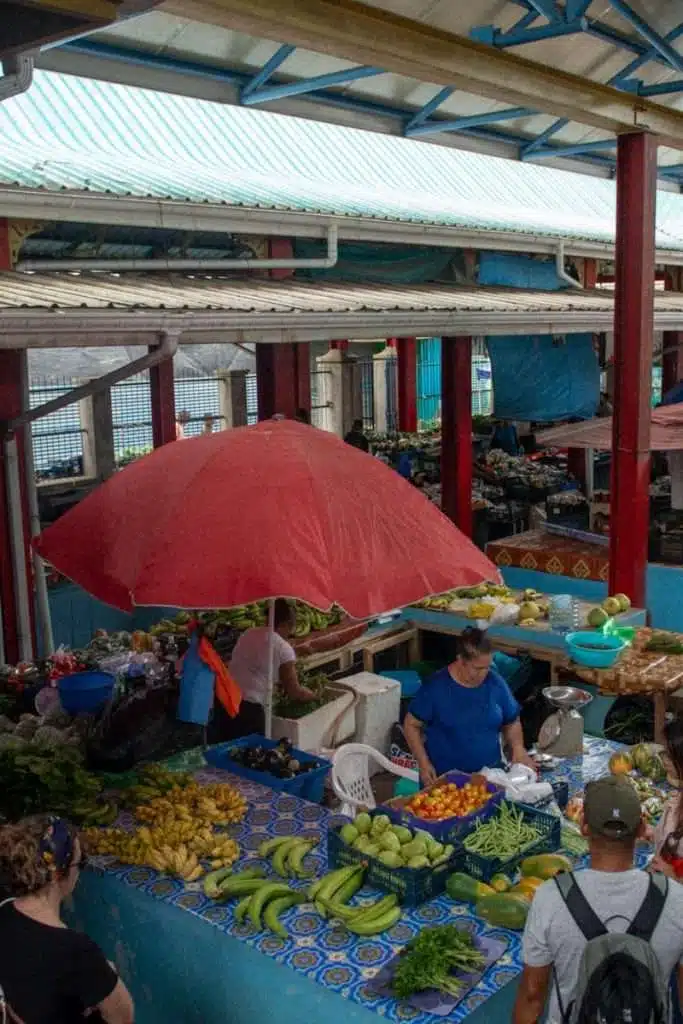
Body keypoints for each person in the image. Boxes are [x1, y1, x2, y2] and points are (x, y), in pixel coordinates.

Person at [513, 775, 683, 1024]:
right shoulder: (677, 899)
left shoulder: (550, 898)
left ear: (583, 825)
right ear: (641, 827)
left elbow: (532, 996)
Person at [0, 815, 134, 1024]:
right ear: (57, 874)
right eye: (80, 863)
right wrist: (101, 972)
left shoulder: (5, 911)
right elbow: (123, 1018)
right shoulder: (76, 950)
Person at [403, 628, 535, 783]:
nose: (484, 673)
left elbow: (511, 720)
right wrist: (423, 763)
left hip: (490, 778)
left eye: (487, 666)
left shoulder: (495, 682)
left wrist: (518, 748)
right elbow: (411, 725)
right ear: (461, 660)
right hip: (445, 781)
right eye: (478, 668)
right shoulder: (435, 688)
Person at [210, 599, 317, 741]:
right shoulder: (283, 649)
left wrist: (296, 650)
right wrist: (314, 695)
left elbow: (266, 651)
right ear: (287, 624)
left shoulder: (249, 633)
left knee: (227, 754)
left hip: (226, 700)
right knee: (251, 755)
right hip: (248, 710)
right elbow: (294, 692)